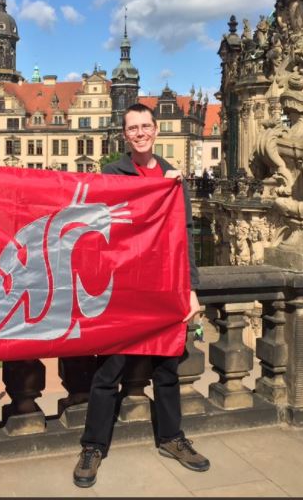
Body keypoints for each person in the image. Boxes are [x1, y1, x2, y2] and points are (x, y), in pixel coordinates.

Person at [73, 103, 209, 488]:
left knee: (167, 370)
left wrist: (191, 290)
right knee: (108, 372)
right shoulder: (111, 174)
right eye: (133, 128)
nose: (140, 133)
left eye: (145, 126)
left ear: (156, 129)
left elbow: (184, 237)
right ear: (125, 134)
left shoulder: (172, 177)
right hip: (124, 289)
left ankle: (171, 438)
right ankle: (93, 446)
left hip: (164, 288)